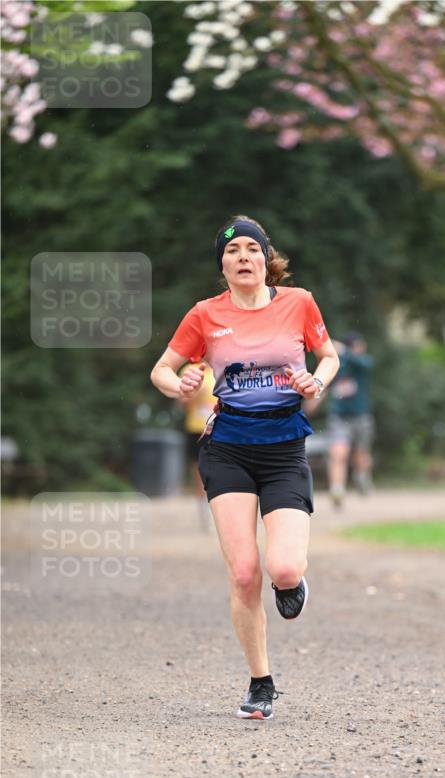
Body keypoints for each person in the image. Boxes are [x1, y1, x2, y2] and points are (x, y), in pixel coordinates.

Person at [150, 215, 339, 720]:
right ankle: (261, 682)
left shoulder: (298, 302)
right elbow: (162, 369)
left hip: (283, 448)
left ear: (265, 259)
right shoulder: (205, 315)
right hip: (227, 446)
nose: (243, 258)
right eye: (232, 252)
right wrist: (181, 386)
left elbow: (329, 356)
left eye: (252, 249)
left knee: (281, 567)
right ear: (223, 266)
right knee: (243, 574)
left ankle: (291, 581)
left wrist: (315, 384)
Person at [327, 333, 374, 507]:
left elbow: (364, 363)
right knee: (338, 453)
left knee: (361, 454)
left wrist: (344, 351)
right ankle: (337, 490)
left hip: (361, 416)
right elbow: (328, 383)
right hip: (340, 418)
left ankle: (362, 477)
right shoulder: (339, 365)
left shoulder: (362, 363)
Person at [178, 362, 217, 531]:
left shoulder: (224, 366)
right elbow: (181, 402)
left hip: (222, 428)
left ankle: (222, 512)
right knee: (199, 473)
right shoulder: (189, 370)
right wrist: (194, 393)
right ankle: (205, 515)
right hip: (197, 428)